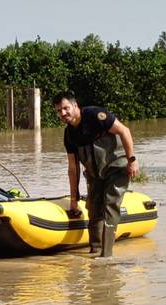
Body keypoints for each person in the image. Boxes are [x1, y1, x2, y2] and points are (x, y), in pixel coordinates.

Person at [52, 91, 139, 258]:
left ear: (75, 105)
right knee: (93, 209)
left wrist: (132, 160)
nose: (63, 113)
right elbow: (73, 169)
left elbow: (124, 131)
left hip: (116, 168)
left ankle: (106, 257)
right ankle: (95, 251)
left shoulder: (95, 115)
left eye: (65, 108)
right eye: (58, 111)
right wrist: (73, 200)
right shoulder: (69, 134)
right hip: (94, 175)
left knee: (110, 205)